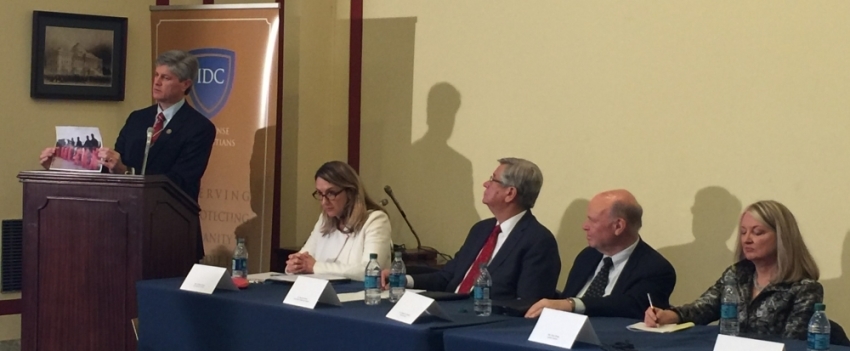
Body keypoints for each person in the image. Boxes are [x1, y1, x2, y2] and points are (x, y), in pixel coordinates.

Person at [38, 50, 216, 260]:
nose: (157, 82)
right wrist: (59, 164)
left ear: (185, 84)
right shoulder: (138, 119)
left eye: (166, 78)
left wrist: (127, 171)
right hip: (122, 225)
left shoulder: (199, 127)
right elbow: (110, 167)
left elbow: (181, 180)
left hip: (170, 228)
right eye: (156, 75)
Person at [381, 157, 561, 301]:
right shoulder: (481, 230)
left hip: (486, 325)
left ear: (510, 193)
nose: (485, 184)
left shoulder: (538, 241)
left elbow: (526, 304)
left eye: (493, 180)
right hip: (449, 310)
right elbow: (448, 276)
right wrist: (402, 279)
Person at [645, 200, 822, 340]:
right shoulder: (737, 274)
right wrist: (668, 315)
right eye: (743, 232)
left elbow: (793, 343)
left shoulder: (804, 288)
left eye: (757, 232)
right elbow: (703, 308)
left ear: (782, 238)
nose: (747, 240)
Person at [525, 189, 676, 319]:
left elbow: (628, 307)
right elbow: (565, 298)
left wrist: (572, 304)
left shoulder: (656, 269)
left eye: (592, 221)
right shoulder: (587, 256)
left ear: (618, 226)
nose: (584, 226)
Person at [285, 161, 392, 281]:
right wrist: (293, 265)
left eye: (331, 193)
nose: (324, 202)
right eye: (320, 194)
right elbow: (303, 259)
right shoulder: (324, 220)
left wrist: (316, 266)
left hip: (362, 295)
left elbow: (370, 270)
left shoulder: (376, 220)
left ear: (350, 192)